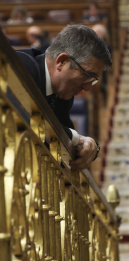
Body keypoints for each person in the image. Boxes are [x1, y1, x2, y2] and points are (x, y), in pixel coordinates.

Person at [16, 24, 112, 170]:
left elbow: (66, 145)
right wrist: (76, 138)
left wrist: (91, 146)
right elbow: (27, 123)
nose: (87, 87)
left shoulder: (62, 93)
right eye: (88, 76)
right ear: (62, 61)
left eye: (94, 80)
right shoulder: (21, 66)